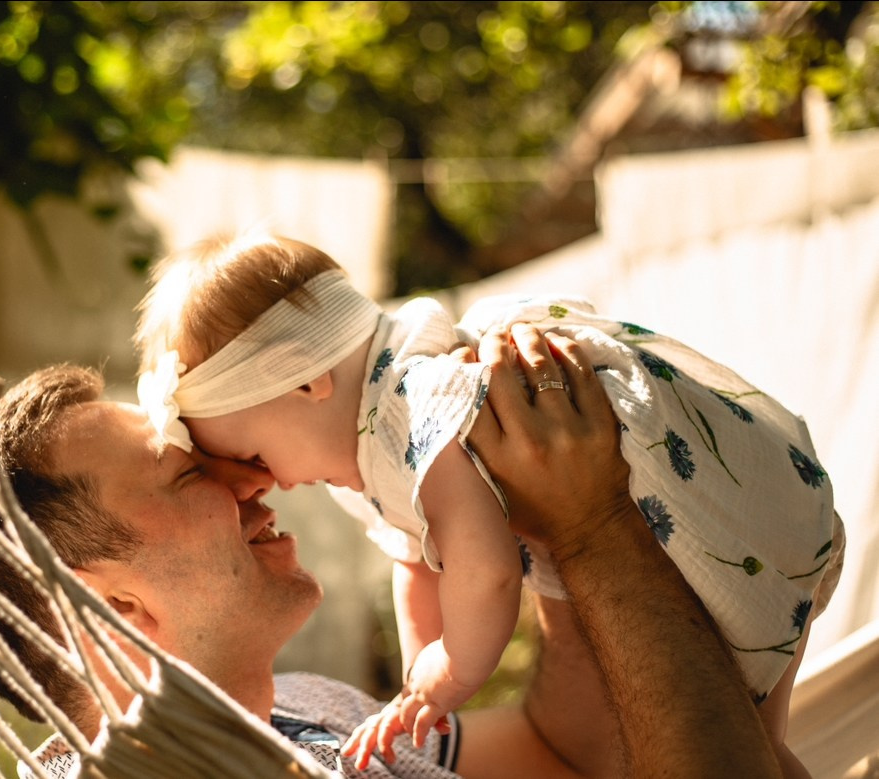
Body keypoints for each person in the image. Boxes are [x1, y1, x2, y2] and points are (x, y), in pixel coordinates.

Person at [0, 324, 799, 778]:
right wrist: (597, 528)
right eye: (187, 476)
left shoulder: (298, 710)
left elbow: (561, 750)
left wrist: (529, 522)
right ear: (113, 610)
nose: (250, 480)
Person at [131, 229, 843, 775]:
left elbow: (484, 568)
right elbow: (414, 561)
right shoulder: (362, 455)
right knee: (756, 746)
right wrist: (418, 679)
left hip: (714, 519)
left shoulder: (416, 407)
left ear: (304, 379)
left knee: (740, 744)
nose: (260, 483)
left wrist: (451, 670)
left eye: (253, 456)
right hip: (771, 514)